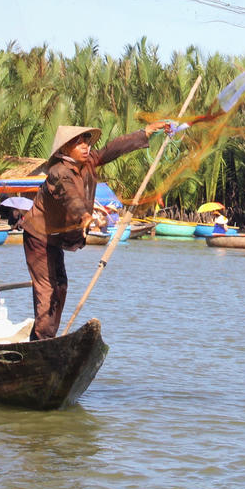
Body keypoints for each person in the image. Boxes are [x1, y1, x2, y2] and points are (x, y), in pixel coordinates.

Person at [21, 121, 171, 340]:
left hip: (54, 237)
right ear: (65, 149)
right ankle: (43, 340)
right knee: (48, 289)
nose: (85, 146)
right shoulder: (58, 172)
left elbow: (111, 150)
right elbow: (69, 195)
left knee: (60, 286)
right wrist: (84, 215)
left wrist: (144, 133)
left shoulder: (88, 163)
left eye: (86, 141)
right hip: (38, 236)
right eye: (78, 142)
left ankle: (43, 338)